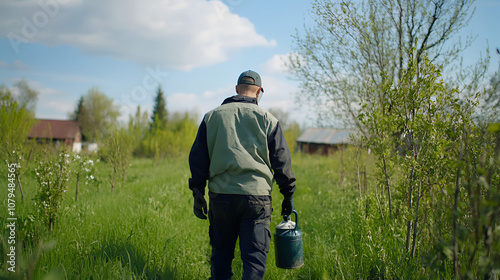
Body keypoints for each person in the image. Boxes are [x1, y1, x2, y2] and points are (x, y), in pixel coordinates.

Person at [188, 70, 297, 280]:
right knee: (254, 261)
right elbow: (281, 160)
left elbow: (198, 159)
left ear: (237, 90)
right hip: (257, 200)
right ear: (259, 93)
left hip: (221, 197)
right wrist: (288, 194)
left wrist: (198, 194)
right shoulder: (268, 119)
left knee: (221, 256)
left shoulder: (211, 117)